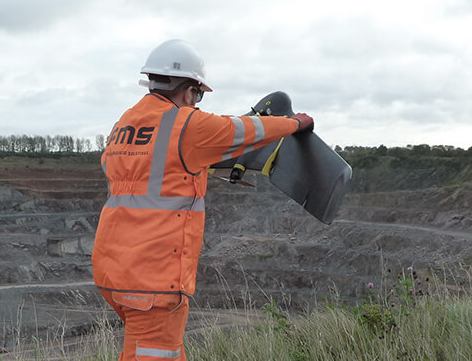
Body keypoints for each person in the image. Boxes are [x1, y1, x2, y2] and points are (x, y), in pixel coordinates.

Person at [92, 39, 313, 360]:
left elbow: (144, 170)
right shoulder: (186, 125)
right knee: (153, 353)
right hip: (153, 281)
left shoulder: (123, 124)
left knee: (160, 350)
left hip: (114, 272)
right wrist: (296, 123)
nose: (196, 103)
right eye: (198, 95)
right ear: (188, 89)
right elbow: (239, 129)